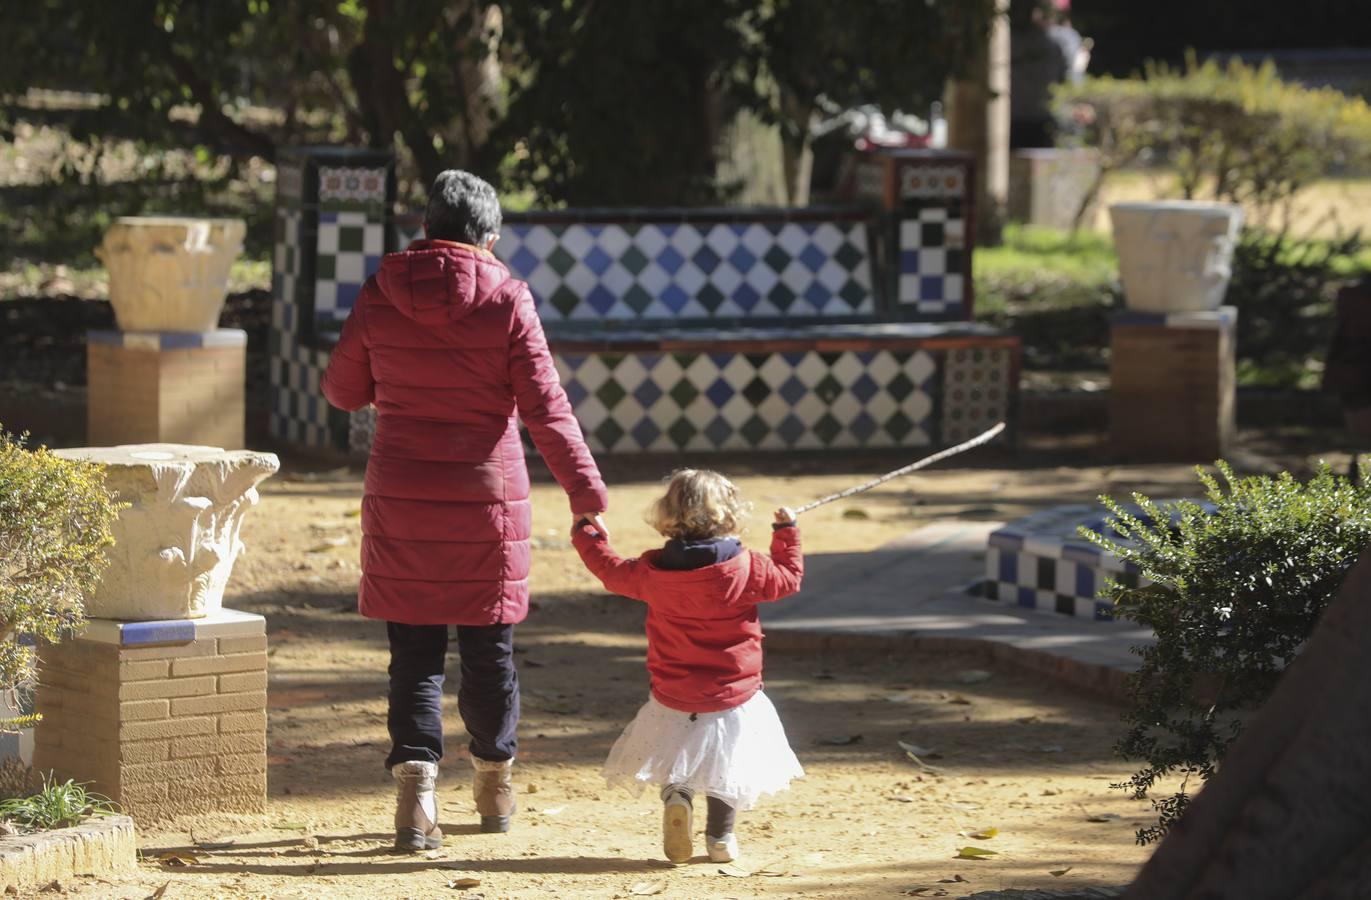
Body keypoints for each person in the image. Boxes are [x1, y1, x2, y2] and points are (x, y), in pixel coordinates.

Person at [321, 169, 609, 852]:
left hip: (402, 503)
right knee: (488, 653)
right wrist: (586, 495)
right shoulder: (509, 298)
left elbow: (340, 390)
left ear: (426, 228)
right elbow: (546, 408)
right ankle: (494, 783)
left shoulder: (379, 291)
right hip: (488, 505)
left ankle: (415, 798)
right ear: (490, 236)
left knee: (414, 656)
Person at [570, 469, 805, 864]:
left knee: (677, 747)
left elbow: (609, 570)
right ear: (728, 513)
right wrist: (786, 532)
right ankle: (720, 839)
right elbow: (789, 579)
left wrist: (586, 533)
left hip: (674, 689)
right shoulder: (749, 568)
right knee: (729, 763)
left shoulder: (653, 571)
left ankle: (677, 795)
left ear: (669, 513)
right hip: (734, 693)